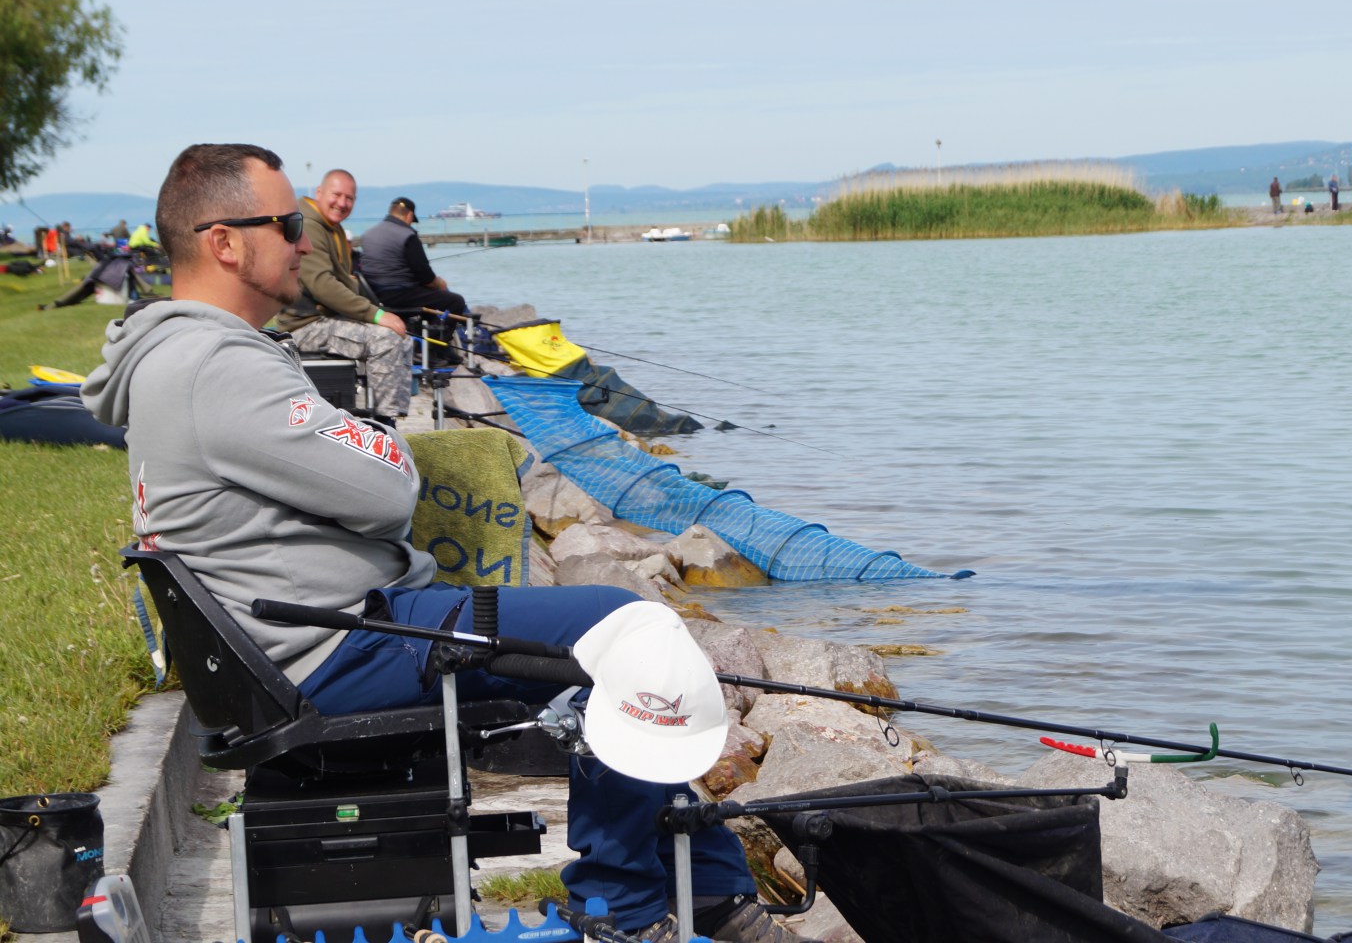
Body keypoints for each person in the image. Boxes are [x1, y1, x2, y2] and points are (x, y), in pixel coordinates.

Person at [80, 144, 812, 943]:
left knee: (615, 668)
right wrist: (372, 442)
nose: (303, 241)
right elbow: (386, 488)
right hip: (340, 644)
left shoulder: (173, 356)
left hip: (301, 641)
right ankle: (623, 910)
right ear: (223, 241)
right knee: (634, 628)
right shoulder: (217, 364)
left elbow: (337, 484)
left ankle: (708, 898)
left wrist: (348, 448)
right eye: (287, 225)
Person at [273, 169, 412, 420]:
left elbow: (345, 281)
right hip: (303, 325)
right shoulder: (310, 225)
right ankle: (384, 421)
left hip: (326, 319)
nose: (342, 203)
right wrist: (375, 315)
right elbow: (322, 284)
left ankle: (396, 414)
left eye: (349, 198)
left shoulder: (332, 227)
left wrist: (379, 312)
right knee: (386, 339)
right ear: (319, 193)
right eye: (336, 195)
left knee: (403, 337)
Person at [358, 196, 470, 316]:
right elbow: (425, 277)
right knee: (456, 301)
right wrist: (440, 283)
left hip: (374, 294)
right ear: (409, 215)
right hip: (399, 294)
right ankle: (443, 329)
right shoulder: (407, 236)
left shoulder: (367, 234)